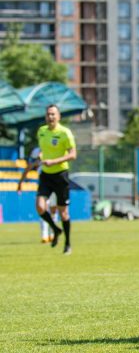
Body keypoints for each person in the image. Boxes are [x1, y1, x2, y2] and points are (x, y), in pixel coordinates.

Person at [22, 105, 77, 255]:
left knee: (63, 213)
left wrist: (54, 161)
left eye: (53, 114)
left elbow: (73, 155)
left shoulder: (65, 133)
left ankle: (67, 243)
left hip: (60, 175)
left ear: (59, 116)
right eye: (48, 114)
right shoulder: (41, 131)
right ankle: (55, 229)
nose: (50, 117)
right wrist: (41, 157)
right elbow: (43, 150)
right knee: (40, 207)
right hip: (46, 175)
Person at [17, 147, 59, 243]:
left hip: (56, 183)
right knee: (42, 208)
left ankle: (53, 233)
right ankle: (44, 235)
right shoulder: (36, 151)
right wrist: (20, 182)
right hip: (44, 184)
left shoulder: (55, 147)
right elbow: (29, 166)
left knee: (53, 209)